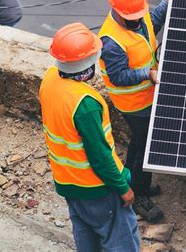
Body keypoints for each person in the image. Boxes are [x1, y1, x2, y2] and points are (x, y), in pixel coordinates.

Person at [39, 23, 140, 251]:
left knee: (85, 234)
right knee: (121, 239)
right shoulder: (85, 104)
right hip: (97, 188)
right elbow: (100, 155)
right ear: (87, 63)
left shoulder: (50, 79)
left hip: (67, 182)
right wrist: (123, 187)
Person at [98, 0, 170, 223]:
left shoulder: (137, 19)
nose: (138, 19)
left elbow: (152, 24)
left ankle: (138, 183)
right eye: (133, 15)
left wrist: (166, 2)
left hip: (148, 96)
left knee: (141, 145)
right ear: (118, 11)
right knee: (142, 148)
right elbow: (118, 77)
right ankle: (138, 194)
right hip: (134, 105)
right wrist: (147, 74)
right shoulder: (111, 41)